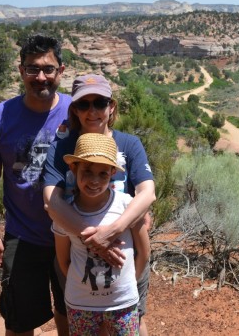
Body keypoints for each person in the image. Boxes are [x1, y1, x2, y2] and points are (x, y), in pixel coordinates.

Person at [43, 74, 156, 335]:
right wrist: (94, 238)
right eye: (84, 105)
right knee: (72, 315)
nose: (92, 111)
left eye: (100, 103)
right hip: (78, 255)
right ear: (75, 110)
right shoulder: (63, 147)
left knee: (135, 317)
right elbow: (52, 200)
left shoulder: (129, 144)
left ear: (111, 107)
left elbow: (147, 193)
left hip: (127, 254)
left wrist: (112, 232)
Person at [0, 33, 71, 336]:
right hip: (22, 236)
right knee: (19, 322)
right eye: (32, 68)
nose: (40, 77)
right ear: (21, 71)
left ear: (61, 70)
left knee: (69, 313)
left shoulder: (77, 113)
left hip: (71, 234)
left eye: (48, 69)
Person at [54, 133, 150, 335]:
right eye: (87, 171)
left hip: (123, 303)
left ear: (112, 173)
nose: (94, 181)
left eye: (103, 174)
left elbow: (144, 253)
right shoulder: (65, 214)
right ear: (74, 168)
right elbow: (63, 261)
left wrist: (128, 284)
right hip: (80, 304)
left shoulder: (126, 205)